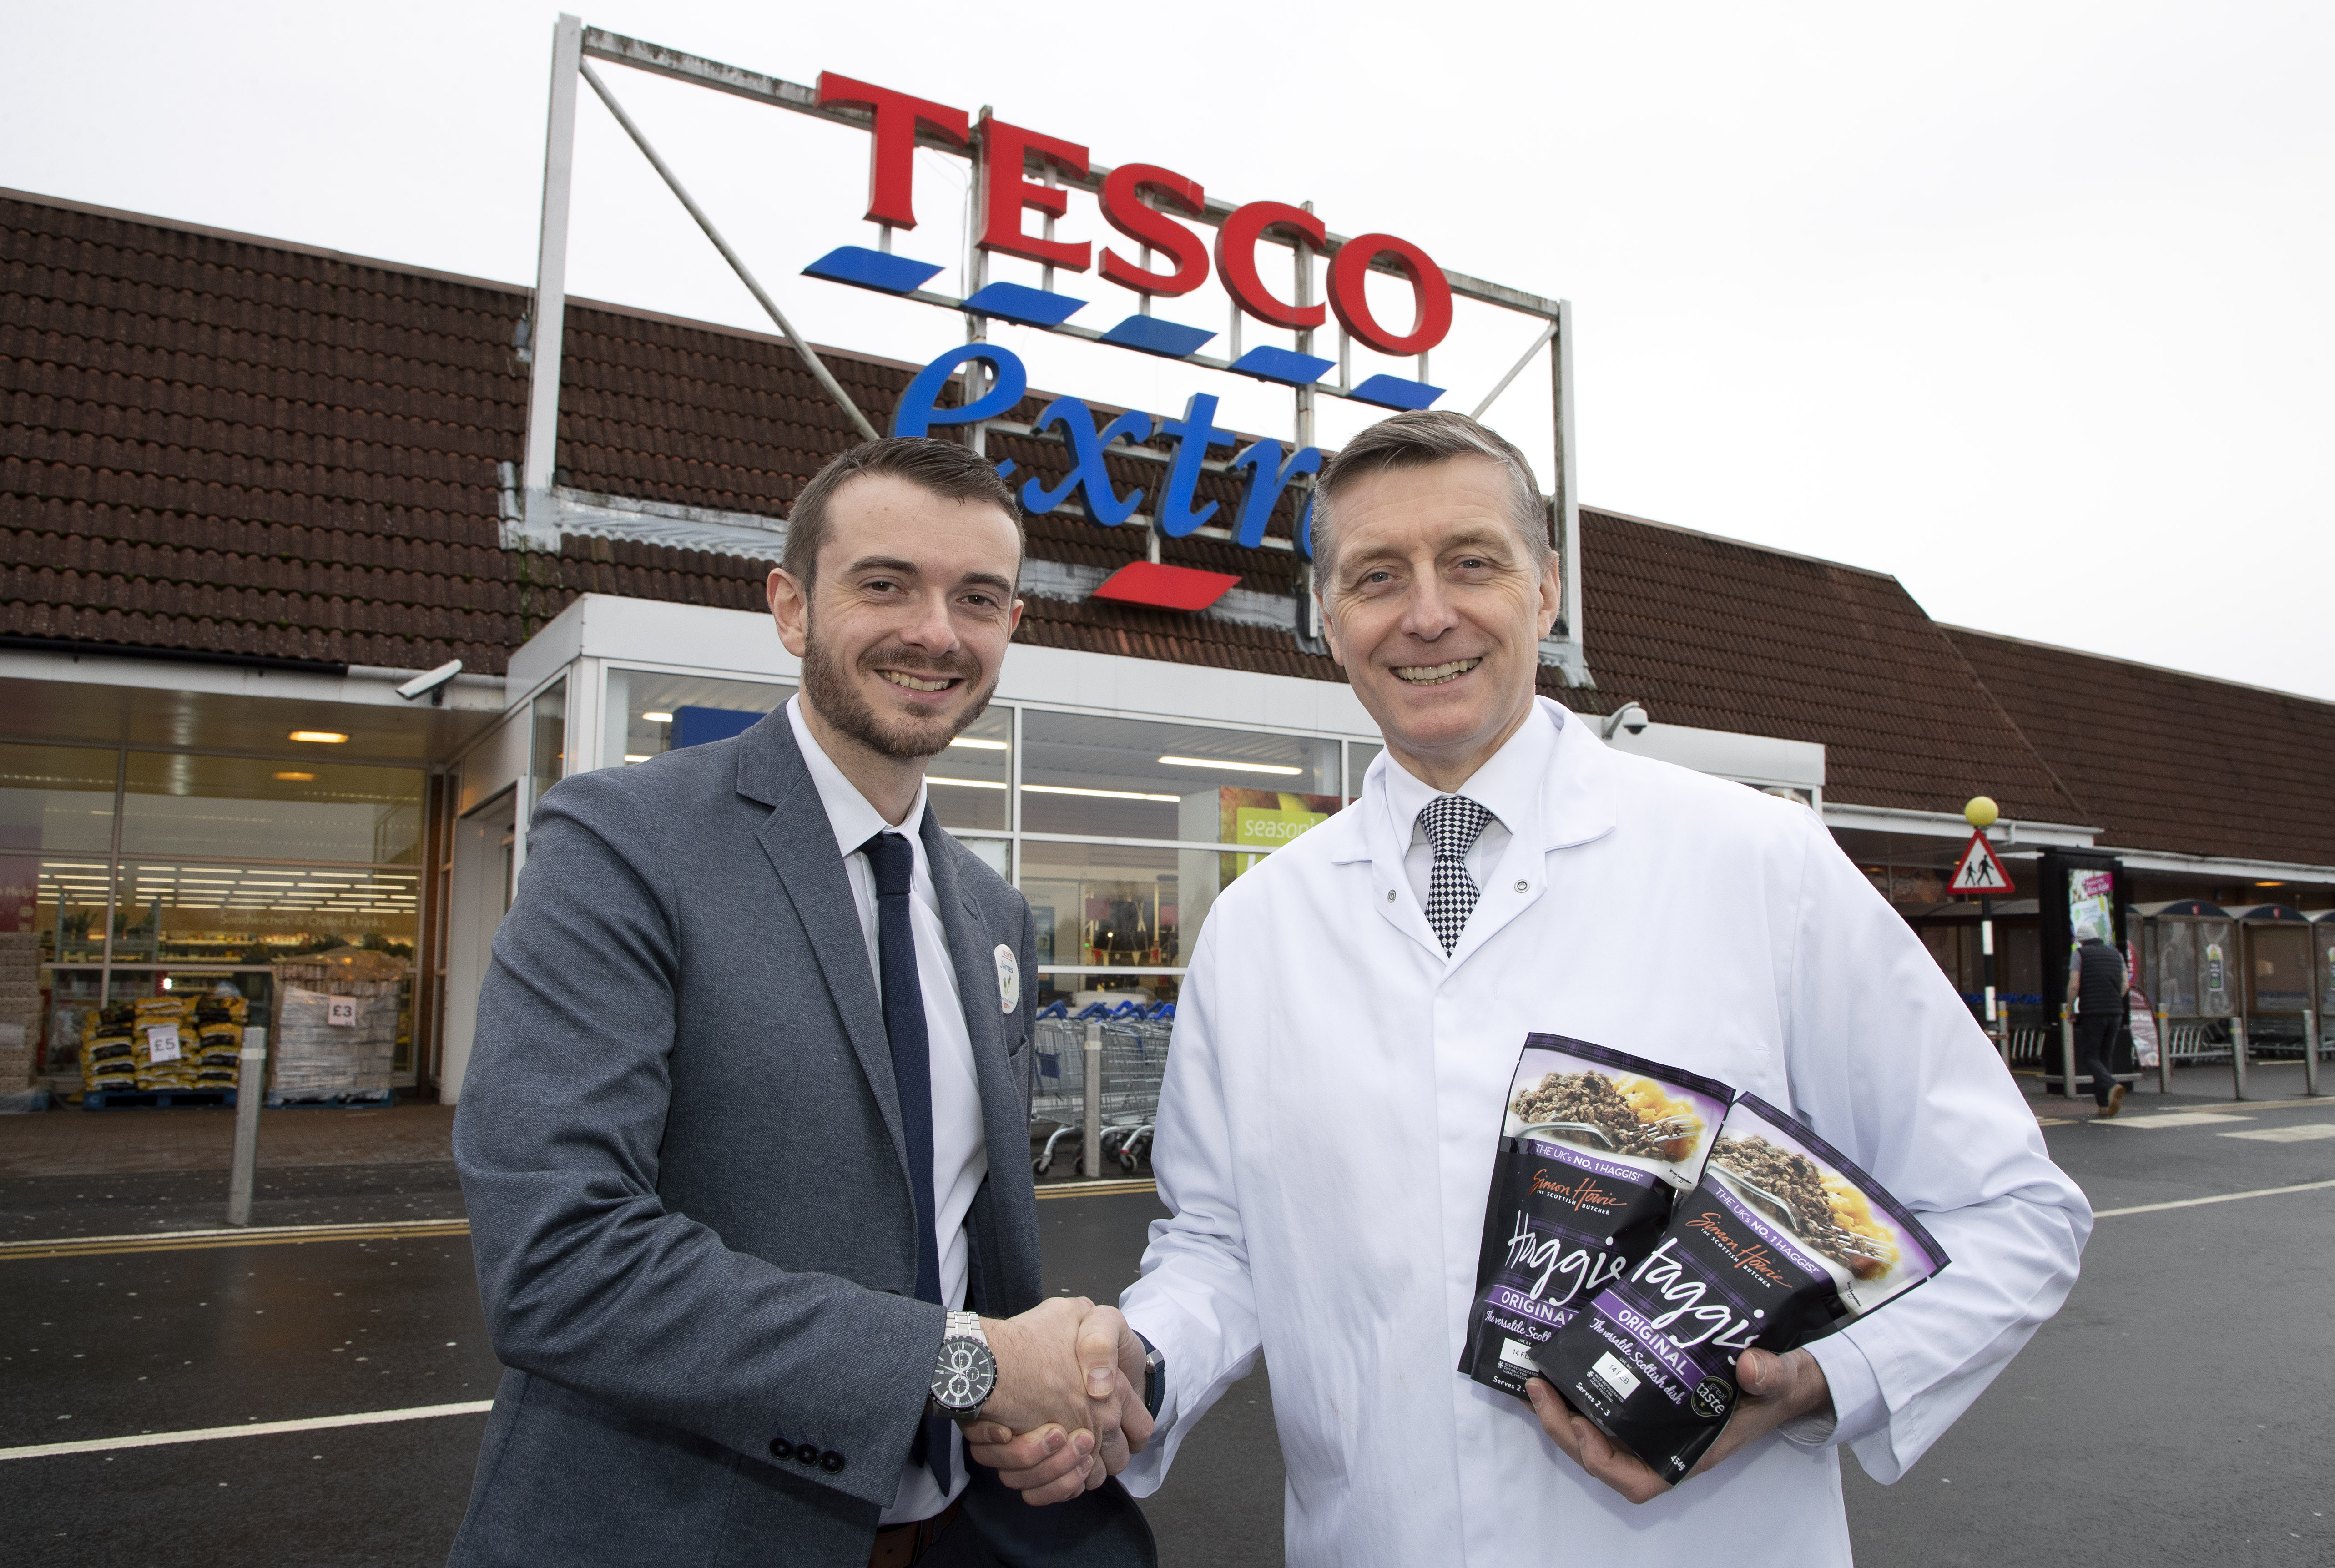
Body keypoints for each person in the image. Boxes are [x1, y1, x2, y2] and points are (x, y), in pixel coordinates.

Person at [977, 411, 2091, 1564]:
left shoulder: (1758, 863)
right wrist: (1131, 1368)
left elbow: (2014, 1215)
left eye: (1471, 562)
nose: (1425, 614)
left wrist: (1816, 1379)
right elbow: (1220, 1243)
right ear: (1326, 618)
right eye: (1375, 576)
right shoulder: (1260, 923)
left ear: (1546, 589)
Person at [449, 438, 1156, 1568]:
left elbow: (967, 1244)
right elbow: (557, 1258)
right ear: (790, 608)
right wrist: (963, 1358)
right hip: (682, 1533)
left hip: (954, 1532)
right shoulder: (623, 845)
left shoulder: (991, 914)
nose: (935, 630)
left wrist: (1048, 1400)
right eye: (885, 584)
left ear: (1008, 627)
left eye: (976, 597)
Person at [2068, 921, 2132, 1116]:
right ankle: (2104, 1105)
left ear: (2081, 941)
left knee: (2090, 1056)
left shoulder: (2079, 954)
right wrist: (2112, 1000)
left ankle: (2112, 1086)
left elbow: (2074, 985)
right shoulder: (2117, 954)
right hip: (2116, 1012)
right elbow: (2126, 985)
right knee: (2105, 1057)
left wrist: (2070, 1009)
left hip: (2093, 1012)